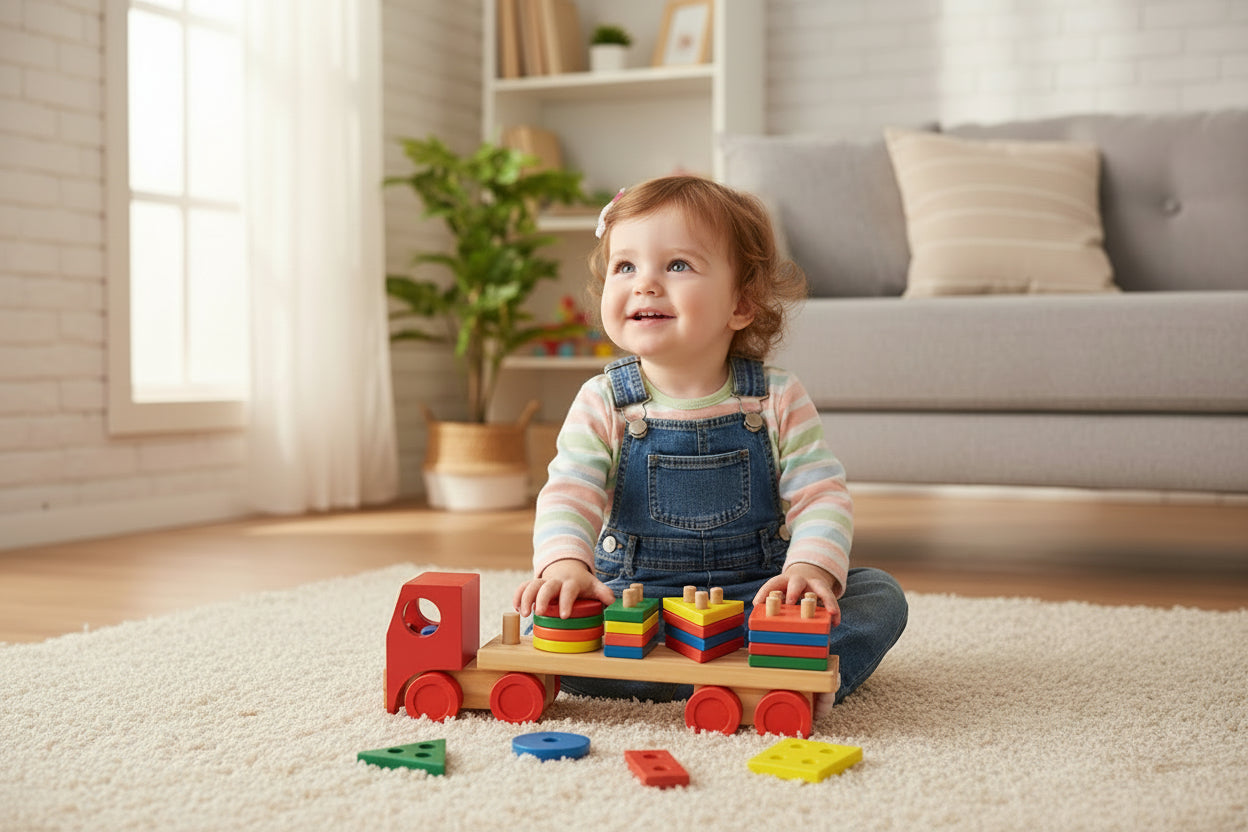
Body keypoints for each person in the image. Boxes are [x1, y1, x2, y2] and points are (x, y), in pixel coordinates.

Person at [512, 175, 907, 709]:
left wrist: (808, 570)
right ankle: (753, 676)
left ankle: (773, 673)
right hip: (638, 603)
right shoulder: (601, 400)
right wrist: (566, 567)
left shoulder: (777, 397)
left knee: (879, 594)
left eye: (677, 265)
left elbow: (820, 494)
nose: (645, 284)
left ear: (740, 304)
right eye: (625, 266)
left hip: (755, 599)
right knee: (549, 623)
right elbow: (569, 491)